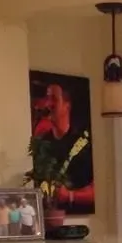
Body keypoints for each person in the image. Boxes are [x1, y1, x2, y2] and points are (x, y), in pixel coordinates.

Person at [33, 82, 94, 215]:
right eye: (47, 98)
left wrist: (70, 196)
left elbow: (98, 190)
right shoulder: (41, 143)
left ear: (67, 105)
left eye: (54, 99)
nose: (48, 104)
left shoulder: (84, 143)